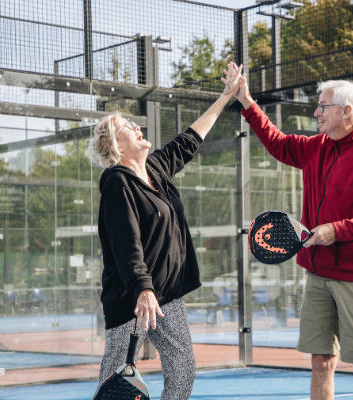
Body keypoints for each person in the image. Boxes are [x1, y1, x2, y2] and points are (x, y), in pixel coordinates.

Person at [233, 74, 353, 400]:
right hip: (318, 273)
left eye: (323, 107)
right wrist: (246, 101)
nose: (316, 113)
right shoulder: (316, 147)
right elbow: (277, 142)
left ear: (347, 111)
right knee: (321, 361)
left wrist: (336, 230)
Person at [86, 63, 244, 400]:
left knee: (183, 369)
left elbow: (191, 138)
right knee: (115, 383)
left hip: (166, 296)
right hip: (133, 299)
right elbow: (126, 244)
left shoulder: (156, 168)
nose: (137, 126)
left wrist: (225, 96)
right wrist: (143, 289)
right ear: (117, 147)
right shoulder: (117, 183)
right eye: (128, 127)